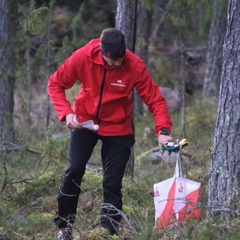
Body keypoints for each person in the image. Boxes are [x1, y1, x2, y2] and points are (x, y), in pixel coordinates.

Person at [48, 28, 173, 240]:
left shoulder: (134, 65)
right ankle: (64, 228)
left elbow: (155, 100)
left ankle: (109, 233)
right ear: (101, 52)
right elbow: (55, 83)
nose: (116, 64)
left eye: (120, 59)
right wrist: (67, 114)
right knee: (74, 171)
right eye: (111, 60)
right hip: (84, 123)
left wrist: (163, 131)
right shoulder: (83, 57)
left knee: (112, 182)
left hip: (118, 128)